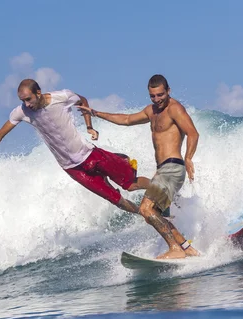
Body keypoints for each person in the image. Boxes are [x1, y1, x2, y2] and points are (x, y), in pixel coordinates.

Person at [0, 79, 149, 214]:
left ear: (38, 93)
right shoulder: (21, 112)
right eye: (22, 101)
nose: (26, 104)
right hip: (72, 167)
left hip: (89, 154)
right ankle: (148, 217)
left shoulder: (62, 97)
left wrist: (89, 126)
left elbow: (82, 101)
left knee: (130, 185)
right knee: (116, 200)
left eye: (28, 99)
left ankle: (162, 191)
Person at [77, 74, 200, 259]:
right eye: (153, 96)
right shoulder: (152, 111)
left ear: (168, 91)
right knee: (156, 215)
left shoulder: (175, 109)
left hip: (172, 167)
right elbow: (126, 120)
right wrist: (95, 113)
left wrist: (188, 158)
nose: (157, 99)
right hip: (163, 170)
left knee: (145, 209)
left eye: (160, 95)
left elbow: (193, 134)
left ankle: (175, 250)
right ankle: (186, 248)